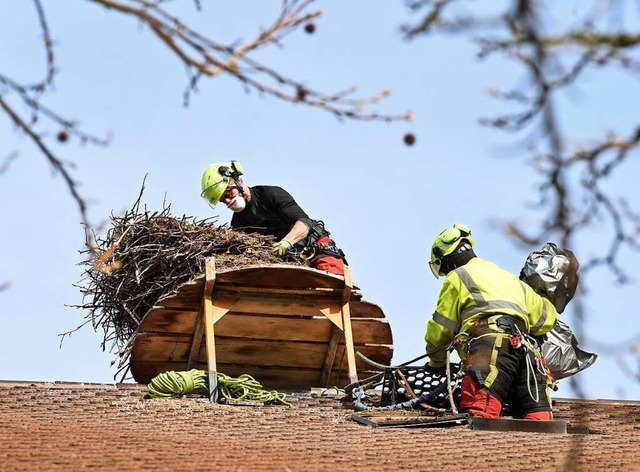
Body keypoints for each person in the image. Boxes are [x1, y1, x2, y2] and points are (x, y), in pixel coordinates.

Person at [424, 223, 559, 420]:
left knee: (479, 417)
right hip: (528, 357)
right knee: (541, 427)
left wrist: (435, 361)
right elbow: (547, 319)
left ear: (447, 260)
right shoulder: (511, 280)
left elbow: (442, 329)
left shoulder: (457, 277)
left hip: (492, 353)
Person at [200, 161, 347, 275]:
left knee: (331, 288)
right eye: (222, 201)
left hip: (314, 251)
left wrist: (286, 242)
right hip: (290, 266)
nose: (227, 202)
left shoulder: (271, 194)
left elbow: (304, 223)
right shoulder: (238, 223)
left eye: (227, 194)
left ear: (237, 180)